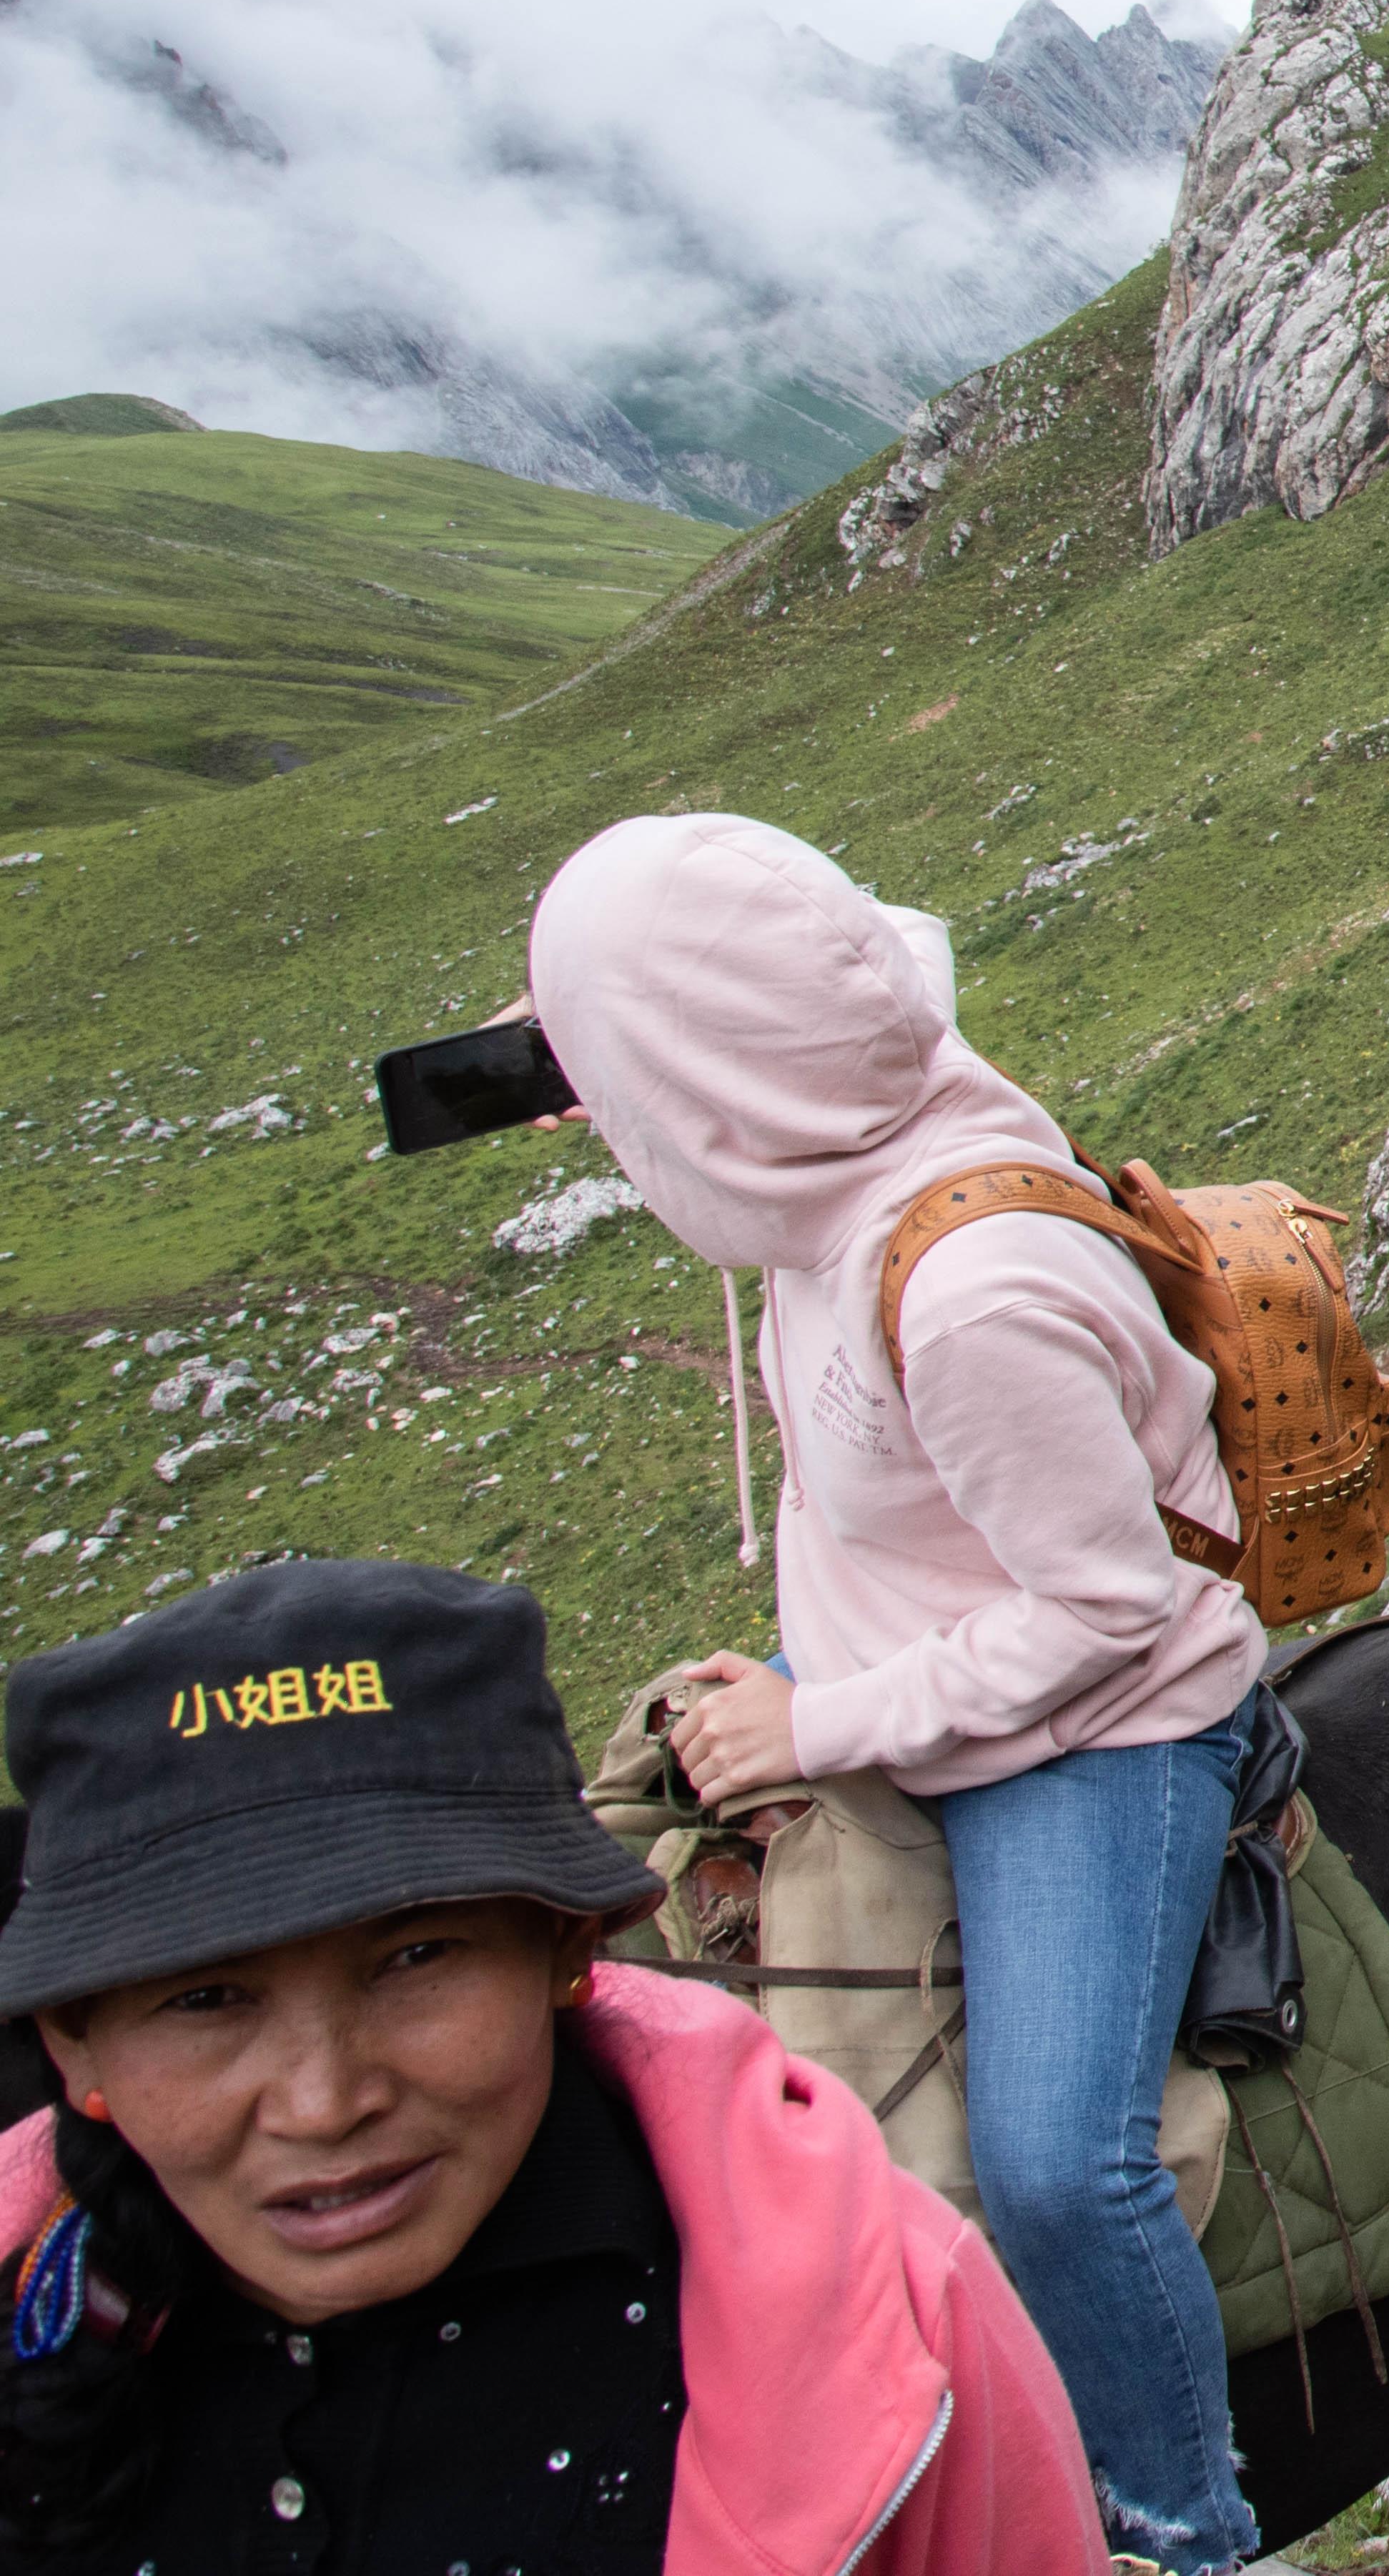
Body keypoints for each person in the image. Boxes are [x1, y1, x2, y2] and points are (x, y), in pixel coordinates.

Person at [527, 810, 1265, 2570]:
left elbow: (1106, 1607)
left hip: (1094, 1718)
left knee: (1056, 2161)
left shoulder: (979, 1290)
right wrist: (620, 1045)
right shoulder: (850, 1094)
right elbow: (774, 981)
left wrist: (814, 1723)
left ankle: (1181, 2522)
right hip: (895, 1638)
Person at [0, 1559, 1109, 2574]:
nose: (323, 2104)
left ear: (569, 1952)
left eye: (416, 1958)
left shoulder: (901, 2306)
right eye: (204, 2000)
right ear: (72, 2044)